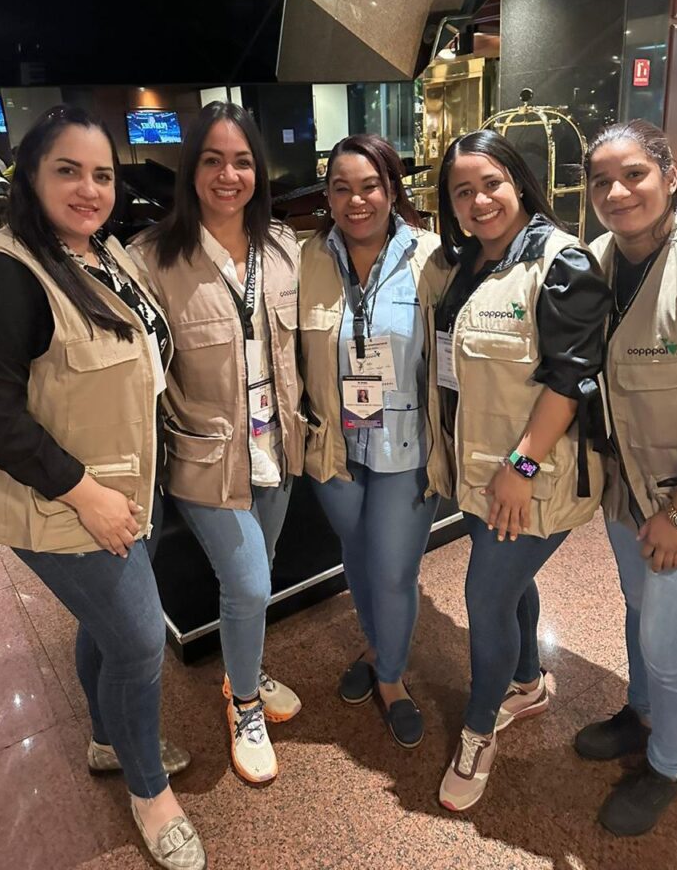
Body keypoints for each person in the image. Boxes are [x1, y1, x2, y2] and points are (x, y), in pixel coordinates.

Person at [0, 106, 206, 870]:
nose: (89, 189)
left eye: (101, 174)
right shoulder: (0, 270)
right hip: (65, 501)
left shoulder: (102, 252)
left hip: (127, 486)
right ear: (30, 175)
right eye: (68, 170)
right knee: (139, 641)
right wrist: (86, 495)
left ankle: (104, 738)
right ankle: (149, 791)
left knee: (106, 627)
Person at [433, 129, 610, 812]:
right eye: (463, 192)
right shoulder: (470, 264)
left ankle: (478, 732)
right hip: (482, 471)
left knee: (484, 600)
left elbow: (571, 379)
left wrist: (522, 464)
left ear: (519, 183)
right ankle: (528, 682)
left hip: (533, 476)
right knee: (509, 587)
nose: (479, 201)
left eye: (491, 184)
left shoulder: (560, 263)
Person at [131, 101, 305, 787]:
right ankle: (245, 705)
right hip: (207, 457)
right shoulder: (152, 259)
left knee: (257, 579)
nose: (228, 175)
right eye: (212, 160)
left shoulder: (282, 247)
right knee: (250, 582)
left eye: (241, 161)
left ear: (258, 170)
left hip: (277, 445)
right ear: (191, 170)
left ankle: (244, 667)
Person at [573, 120, 677, 836]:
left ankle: (667, 763)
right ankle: (642, 711)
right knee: (638, 612)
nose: (617, 192)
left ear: (669, 175)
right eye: (602, 181)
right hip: (627, 492)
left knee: (669, 643)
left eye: (634, 174)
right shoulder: (597, 262)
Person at [299, 133, 450, 748]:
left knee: (391, 571)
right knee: (358, 558)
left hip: (406, 446)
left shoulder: (432, 258)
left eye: (369, 186)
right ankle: (376, 644)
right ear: (327, 195)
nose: (356, 200)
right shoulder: (307, 260)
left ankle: (391, 677)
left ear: (392, 189)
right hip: (335, 445)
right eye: (342, 188)